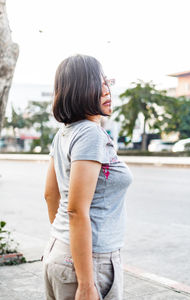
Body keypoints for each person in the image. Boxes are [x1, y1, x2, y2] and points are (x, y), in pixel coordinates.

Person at [42, 54, 133, 300]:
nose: (107, 90)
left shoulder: (64, 133)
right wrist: (85, 282)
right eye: (99, 83)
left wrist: (65, 244)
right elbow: (75, 209)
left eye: (107, 82)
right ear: (81, 88)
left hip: (60, 253)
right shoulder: (91, 134)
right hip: (90, 261)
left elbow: (51, 195)